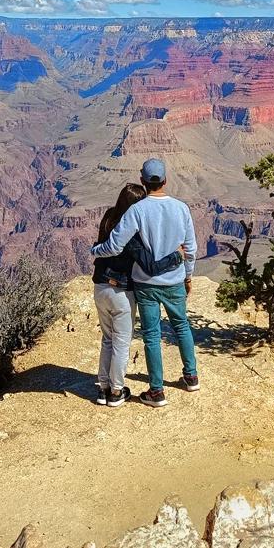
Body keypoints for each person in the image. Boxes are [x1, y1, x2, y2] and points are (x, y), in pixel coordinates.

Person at [91, 159, 199, 408]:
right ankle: (191, 377)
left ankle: (157, 391)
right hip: (174, 281)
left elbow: (116, 245)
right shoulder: (181, 208)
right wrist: (188, 276)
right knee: (181, 326)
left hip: (146, 284)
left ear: (143, 181)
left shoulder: (136, 211)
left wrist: (95, 250)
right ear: (165, 181)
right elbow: (190, 249)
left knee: (152, 335)